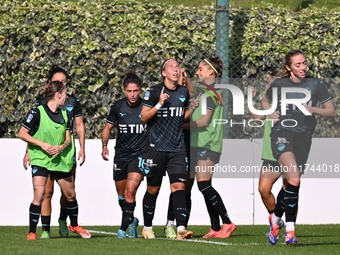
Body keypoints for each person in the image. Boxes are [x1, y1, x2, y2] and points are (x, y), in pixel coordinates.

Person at [261, 50, 336, 245]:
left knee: (292, 184)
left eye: (304, 63)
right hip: (282, 134)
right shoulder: (279, 84)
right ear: (288, 68)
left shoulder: (316, 84)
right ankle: (291, 232)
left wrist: (315, 109)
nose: (303, 67)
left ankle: (276, 221)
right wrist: (269, 112)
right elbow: (264, 100)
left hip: (304, 138)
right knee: (293, 177)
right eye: (298, 65)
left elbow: (331, 112)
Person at [19, 80, 91, 240]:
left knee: (70, 195)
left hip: (59, 159)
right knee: (39, 194)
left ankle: (74, 224)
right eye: (65, 93)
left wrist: (61, 147)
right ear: (58, 95)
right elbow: (22, 133)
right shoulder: (37, 112)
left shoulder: (65, 114)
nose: (67, 97)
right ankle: (32, 232)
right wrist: (42, 145)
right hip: (41, 159)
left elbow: (67, 139)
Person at [140, 58, 193, 240]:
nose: (176, 69)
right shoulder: (154, 91)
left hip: (177, 149)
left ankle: (180, 228)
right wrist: (159, 103)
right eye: (171, 67)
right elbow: (144, 117)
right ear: (164, 73)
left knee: (179, 187)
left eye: (178, 66)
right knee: (153, 189)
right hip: (156, 149)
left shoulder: (183, 91)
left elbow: (181, 117)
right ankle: (147, 228)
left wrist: (192, 108)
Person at [185, 57, 236, 238]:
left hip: (207, 144)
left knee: (204, 185)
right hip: (201, 144)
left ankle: (227, 223)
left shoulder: (210, 95)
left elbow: (204, 121)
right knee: (205, 186)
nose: (197, 72)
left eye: (200, 69)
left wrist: (181, 126)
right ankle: (215, 228)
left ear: (211, 72)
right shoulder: (207, 93)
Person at [101, 70, 147, 239]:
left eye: (135, 91)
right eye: (129, 91)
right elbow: (107, 128)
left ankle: (122, 230)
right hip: (121, 156)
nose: (133, 94)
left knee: (130, 192)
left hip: (139, 155)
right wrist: (104, 146)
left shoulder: (147, 106)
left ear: (140, 90)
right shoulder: (117, 106)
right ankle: (132, 220)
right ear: (124, 90)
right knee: (122, 197)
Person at [249, 72, 286, 236]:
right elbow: (257, 116)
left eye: (269, 83)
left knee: (289, 190)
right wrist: (251, 99)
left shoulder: (287, 103)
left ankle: (291, 228)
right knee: (263, 189)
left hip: (288, 150)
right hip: (271, 153)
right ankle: (275, 220)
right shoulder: (268, 103)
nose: (266, 86)